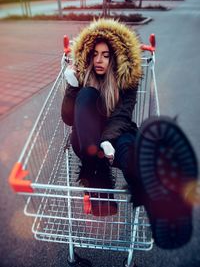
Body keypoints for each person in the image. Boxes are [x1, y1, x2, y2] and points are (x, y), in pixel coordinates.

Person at [61, 18, 198, 250]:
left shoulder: (126, 81)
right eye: (94, 54)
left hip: (116, 135)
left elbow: (121, 116)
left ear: (114, 57)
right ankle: (101, 188)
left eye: (105, 54)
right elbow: (67, 118)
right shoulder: (84, 80)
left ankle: (159, 202)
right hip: (87, 141)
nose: (98, 60)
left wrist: (107, 141)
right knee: (86, 99)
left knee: (130, 147)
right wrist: (73, 87)